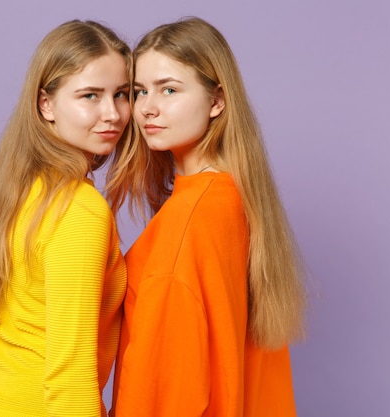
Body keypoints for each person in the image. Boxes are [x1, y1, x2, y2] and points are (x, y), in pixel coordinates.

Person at [111, 17, 307, 416]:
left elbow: (165, 394)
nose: (148, 108)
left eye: (169, 89)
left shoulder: (188, 221)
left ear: (217, 100)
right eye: (139, 91)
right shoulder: (237, 198)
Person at [0, 19, 136, 417]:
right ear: (46, 104)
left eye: (122, 94)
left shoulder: (22, 185)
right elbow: (70, 373)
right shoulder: (80, 209)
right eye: (90, 96)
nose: (112, 113)